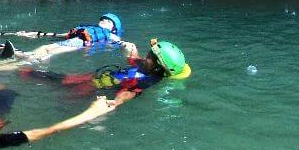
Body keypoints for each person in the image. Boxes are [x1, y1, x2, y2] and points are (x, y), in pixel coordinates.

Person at [20, 38, 191, 103]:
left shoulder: (147, 80)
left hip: (98, 87)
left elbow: (131, 92)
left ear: (158, 67)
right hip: (98, 78)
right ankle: (25, 72)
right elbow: (134, 60)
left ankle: (26, 81)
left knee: (65, 101)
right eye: (149, 53)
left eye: (150, 56)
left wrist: (116, 102)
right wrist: (132, 49)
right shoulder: (146, 66)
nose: (146, 57)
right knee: (61, 79)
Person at [0, 12, 125, 64]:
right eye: (102, 20)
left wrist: (126, 46)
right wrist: (32, 34)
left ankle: (21, 56)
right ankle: (25, 58)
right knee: (45, 48)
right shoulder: (88, 29)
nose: (103, 21)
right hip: (74, 42)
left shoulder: (111, 35)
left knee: (48, 51)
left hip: (80, 45)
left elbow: (122, 43)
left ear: (114, 28)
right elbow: (61, 35)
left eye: (108, 22)